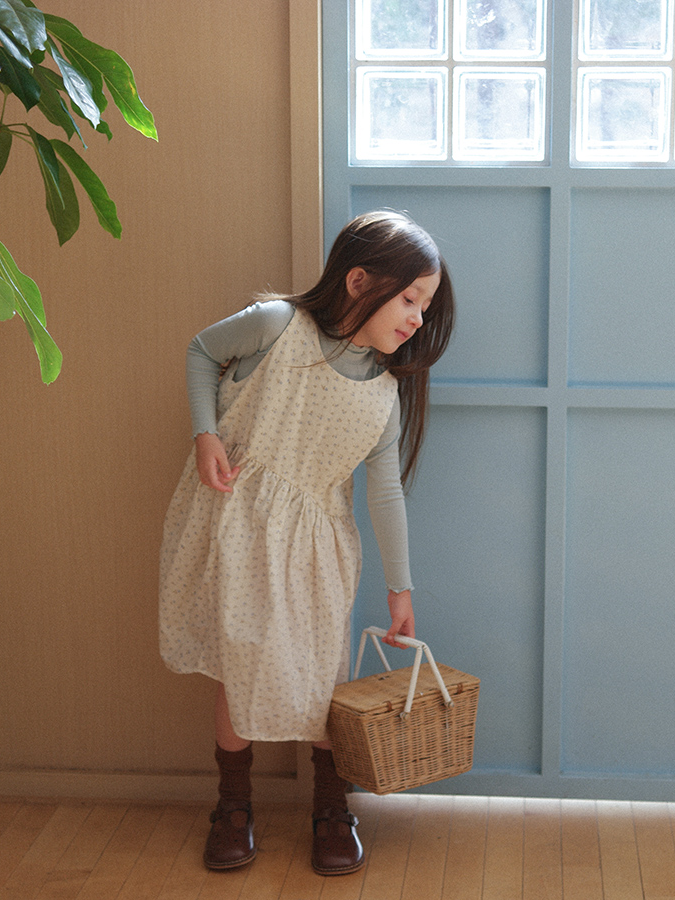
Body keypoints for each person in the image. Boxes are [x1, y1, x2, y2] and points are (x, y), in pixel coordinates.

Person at [159, 210, 455, 876]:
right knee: (239, 666)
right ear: (359, 281)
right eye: (410, 299)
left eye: (426, 306)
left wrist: (401, 588)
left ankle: (331, 806)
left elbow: (385, 493)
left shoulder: (384, 396)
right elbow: (202, 351)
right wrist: (206, 433)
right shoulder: (275, 325)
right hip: (238, 525)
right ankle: (233, 805)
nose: (417, 318)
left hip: (317, 550)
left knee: (325, 678)